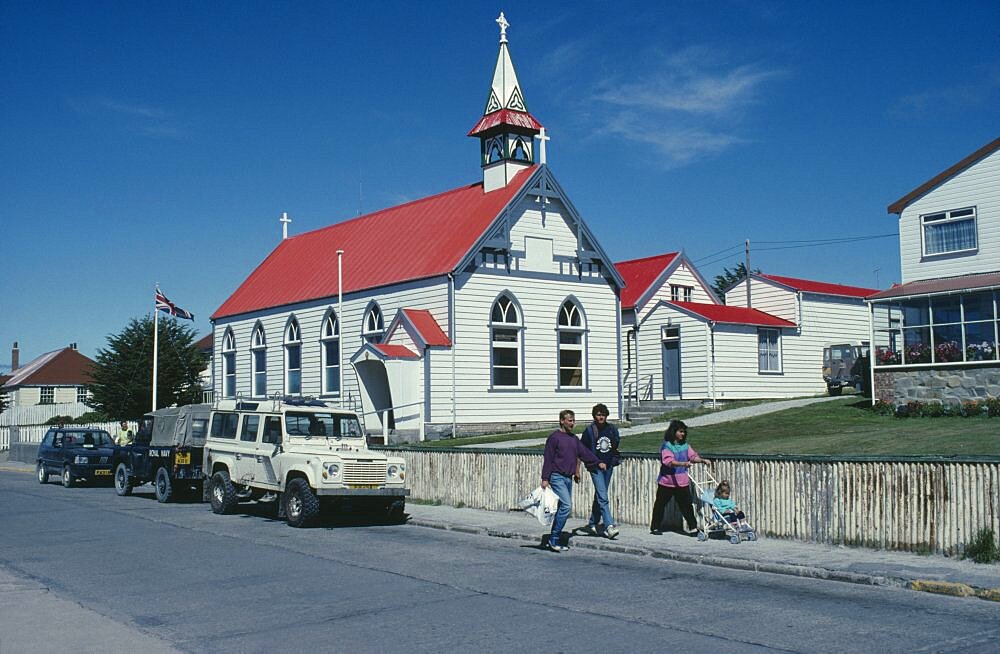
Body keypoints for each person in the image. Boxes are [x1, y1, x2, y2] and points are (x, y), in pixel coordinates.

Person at [541, 409, 606, 552]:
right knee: (566, 506)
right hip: (556, 476)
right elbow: (548, 458)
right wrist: (545, 478)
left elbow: (584, 453)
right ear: (562, 421)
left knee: (563, 508)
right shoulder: (554, 438)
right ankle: (553, 538)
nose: (572, 423)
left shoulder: (574, 439)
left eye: (573, 420)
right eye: (569, 420)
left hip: (568, 478)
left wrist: (597, 462)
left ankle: (554, 538)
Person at [649, 419, 707, 536]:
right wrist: (683, 464)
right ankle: (655, 527)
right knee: (660, 504)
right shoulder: (667, 446)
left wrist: (701, 460)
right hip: (667, 481)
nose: (683, 434)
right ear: (674, 432)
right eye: (680, 431)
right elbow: (668, 461)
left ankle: (693, 528)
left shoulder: (685, 446)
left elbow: (692, 456)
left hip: (682, 482)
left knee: (686, 505)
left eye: (684, 432)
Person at [579, 403, 621, 539]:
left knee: (600, 495)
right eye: (598, 414)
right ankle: (609, 526)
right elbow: (582, 450)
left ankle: (592, 523)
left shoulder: (612, 429)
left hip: (608, 467)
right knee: (603, 496)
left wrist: (612, 461)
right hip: (595, 468)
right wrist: (581, 468)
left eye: (603, 414)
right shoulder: (590, 431)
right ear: (594, 416)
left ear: (606, 415)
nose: (601, 417)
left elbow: (615, 447)